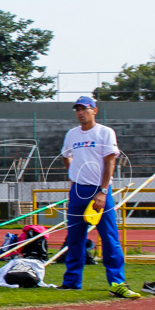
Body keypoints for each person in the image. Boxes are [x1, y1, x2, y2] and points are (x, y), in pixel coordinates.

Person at [57, 96, 139, 298]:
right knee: (75, 239)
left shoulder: (104, 132)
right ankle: (72, 282)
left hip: (99, 191)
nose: (80, 113)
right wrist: (73, 177)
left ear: (94, 110)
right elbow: (65, 155)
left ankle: (117, 282)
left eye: (84, 109)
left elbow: (110, 161)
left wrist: (103, 191)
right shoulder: (72, 134)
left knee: (109, 238)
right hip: (78, 191)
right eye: (77, 109)